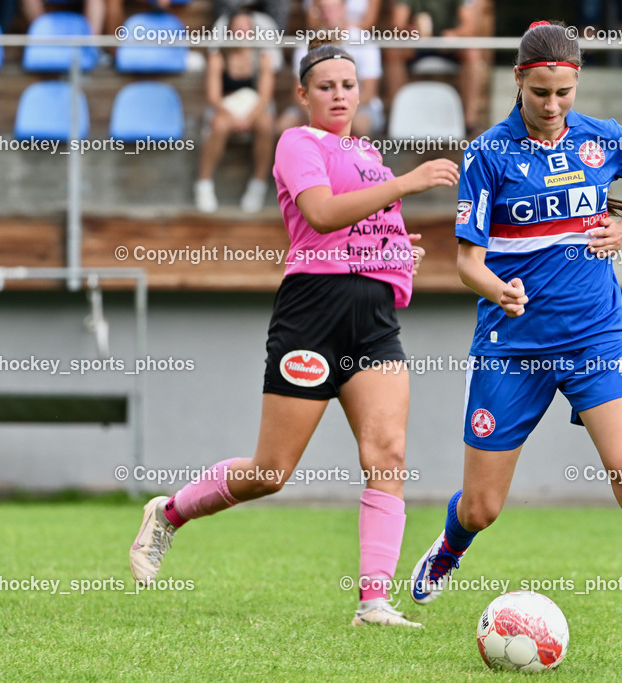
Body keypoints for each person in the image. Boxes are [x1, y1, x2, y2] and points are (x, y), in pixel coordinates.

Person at [407, 20, 622, 670]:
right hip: (512, 346)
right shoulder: (489, 154)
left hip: (596, 338)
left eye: (564, 93)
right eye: (541, 92)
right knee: (484, 505)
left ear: (576, 83)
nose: (553, 107)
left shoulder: (602, 137)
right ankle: (450, 544)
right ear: (519, 81)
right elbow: (467, 261)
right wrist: (499, 289)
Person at [131, 39, 460, 627]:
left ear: (362, 92)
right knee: (270, 471)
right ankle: (170, 513)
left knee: (388, 454)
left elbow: (361, 223)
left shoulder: (368, 154)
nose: (340, 95)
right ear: (303, 94)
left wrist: (394, 244)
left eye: (349, 85)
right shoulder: (296, 142)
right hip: (314, 313)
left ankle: (373, 602)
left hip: (375, 319)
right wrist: (408, 185)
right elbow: (324, 215)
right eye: (327, 86)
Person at [194, 10, 276, 213]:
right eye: (237, 28)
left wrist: (250, 117)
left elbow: (265, 95)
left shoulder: (262, 57)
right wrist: (233, 117)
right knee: (219, 125)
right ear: (229, 31)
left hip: (255, 107)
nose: (242, 33)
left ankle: (258, 184)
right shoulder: (218, 56)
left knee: (266, 125)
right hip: (227, 107)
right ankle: (203, 183)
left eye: (246, 28)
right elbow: (213, 96)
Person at [277, 0, 384, 138]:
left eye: (333, 8)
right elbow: (298, 93)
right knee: (284, 126)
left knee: (359, 125)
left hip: (356, 106)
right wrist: (321, 115)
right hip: (316, 106)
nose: (328, 14)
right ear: (316, 11)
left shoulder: (363, 40)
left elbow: (369, 92)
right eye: (323, 9)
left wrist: (336, 113)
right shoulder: (306, 43)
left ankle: (362, 160)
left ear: (343, 9)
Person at [383, 0, 486, 136]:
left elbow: (469, 26)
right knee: (393, 52)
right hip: (416, 45)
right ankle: (395, 118)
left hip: (449, 45)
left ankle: (469, 122)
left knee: (473, 54)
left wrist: (453, 35)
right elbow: (397, 24)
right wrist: (411, 30)